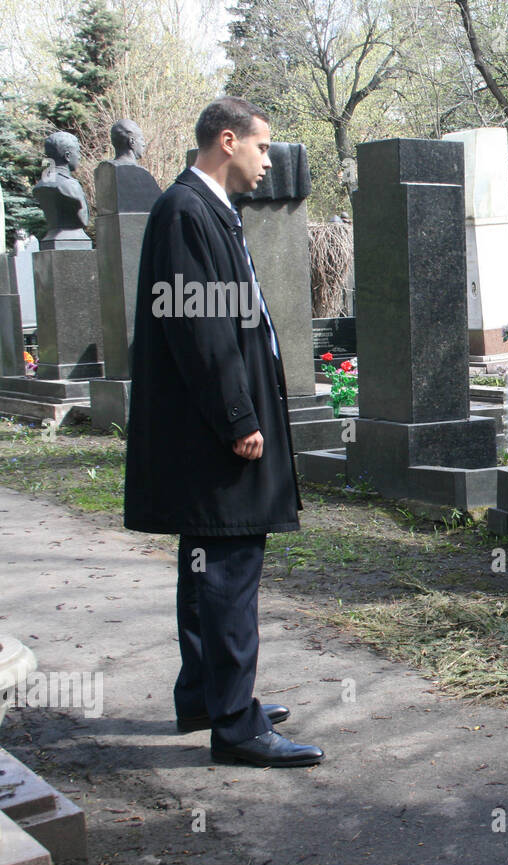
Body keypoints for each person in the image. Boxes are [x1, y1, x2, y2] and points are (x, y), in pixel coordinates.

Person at [124, 96, 323, 768]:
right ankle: (236, 726)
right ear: (228, 140)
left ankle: (206, 697)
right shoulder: (187, 211)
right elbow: (200, 330)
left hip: (210, 430)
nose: (269, 160)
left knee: (208, 564)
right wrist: (238, 419)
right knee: (229, 568)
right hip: (213, 436)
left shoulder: (207, 209)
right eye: (263, 147)